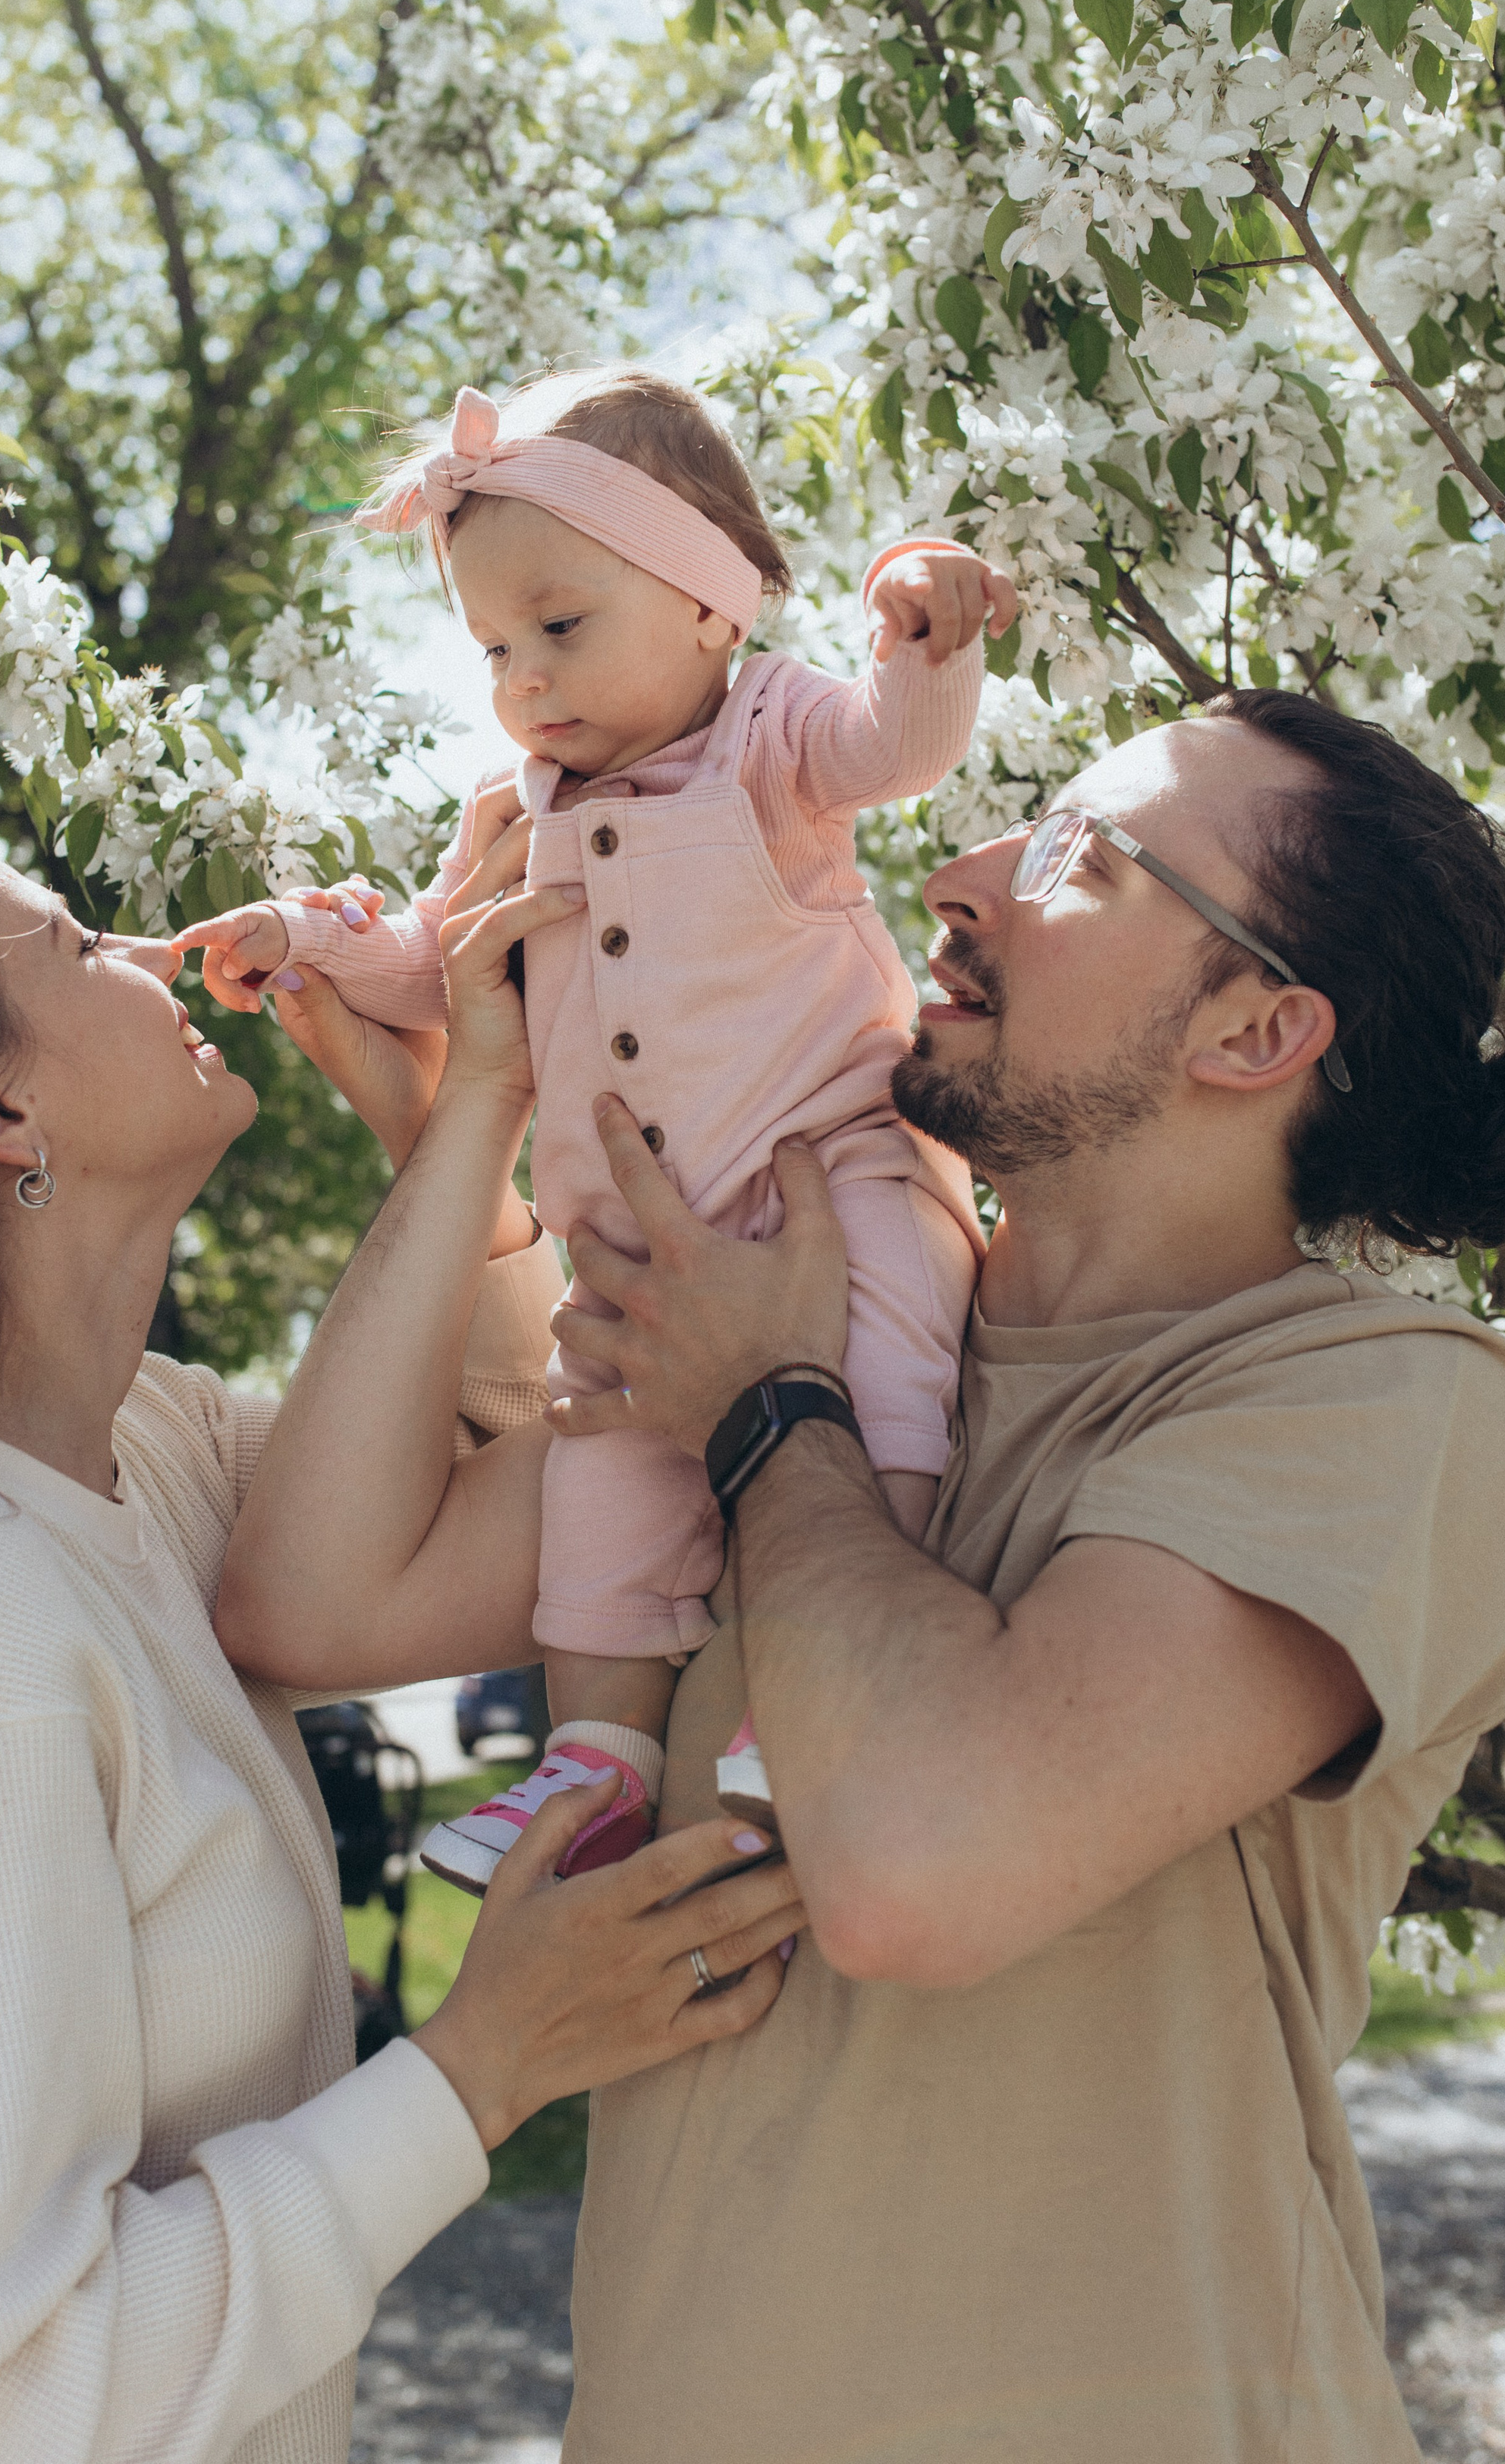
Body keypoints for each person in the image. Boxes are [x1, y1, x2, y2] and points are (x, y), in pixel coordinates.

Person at [0, 806, 806, 2464]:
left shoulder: (136, 1462)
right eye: (82, 945)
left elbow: (554, 1491)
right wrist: (480, 2067)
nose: (155, 954)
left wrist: (460, 1117)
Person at [535, 690, 1505, 2461]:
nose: (959, 875)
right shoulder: (811, 1329)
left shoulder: (1397, 1404)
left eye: (1078, 855)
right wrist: (464, 1115)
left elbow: (920, 1871)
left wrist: (768, 1413)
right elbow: (312, 1611)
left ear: (1255, 1028)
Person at [181, 369, 1018, 1894]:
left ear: (708, 604)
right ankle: (595, 1757)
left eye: (559, 627)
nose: (524, 681)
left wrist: (924, 634)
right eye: (494, 650)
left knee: (894, 1369)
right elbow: (442, 962)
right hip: (632, 1243)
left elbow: (892, 751)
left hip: (832, 1165)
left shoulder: (770, 732)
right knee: (602, 1484)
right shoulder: (524, 805)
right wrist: (306, 939)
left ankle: (829, 1666)